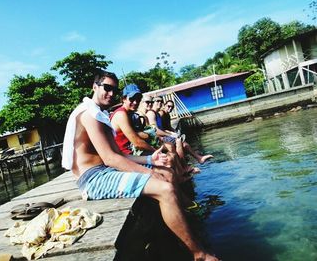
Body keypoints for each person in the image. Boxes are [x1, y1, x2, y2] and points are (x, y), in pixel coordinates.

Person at [61, 70, 218, 261]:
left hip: (105, 170)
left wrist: (151, 161)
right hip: (94, 179)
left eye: (114, 90)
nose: (111, 94)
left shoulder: (99, 114)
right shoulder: (88, 114)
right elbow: (111, 158)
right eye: (106, 88)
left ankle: (179, 225)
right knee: (164, 187)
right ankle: (199, 254)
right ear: (94, 87)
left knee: (166, 173)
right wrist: (149, 173)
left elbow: (119, 155)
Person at [110, 84, 156, 155]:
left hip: (132, 150)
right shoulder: (121, 114)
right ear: (124, 99)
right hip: (125, 154)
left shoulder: (130, 113)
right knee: (167, 159)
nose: (135, 102)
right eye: (131, 99)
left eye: (138, 99)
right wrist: (156, 151)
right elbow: (137, 143)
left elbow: (135, 134)